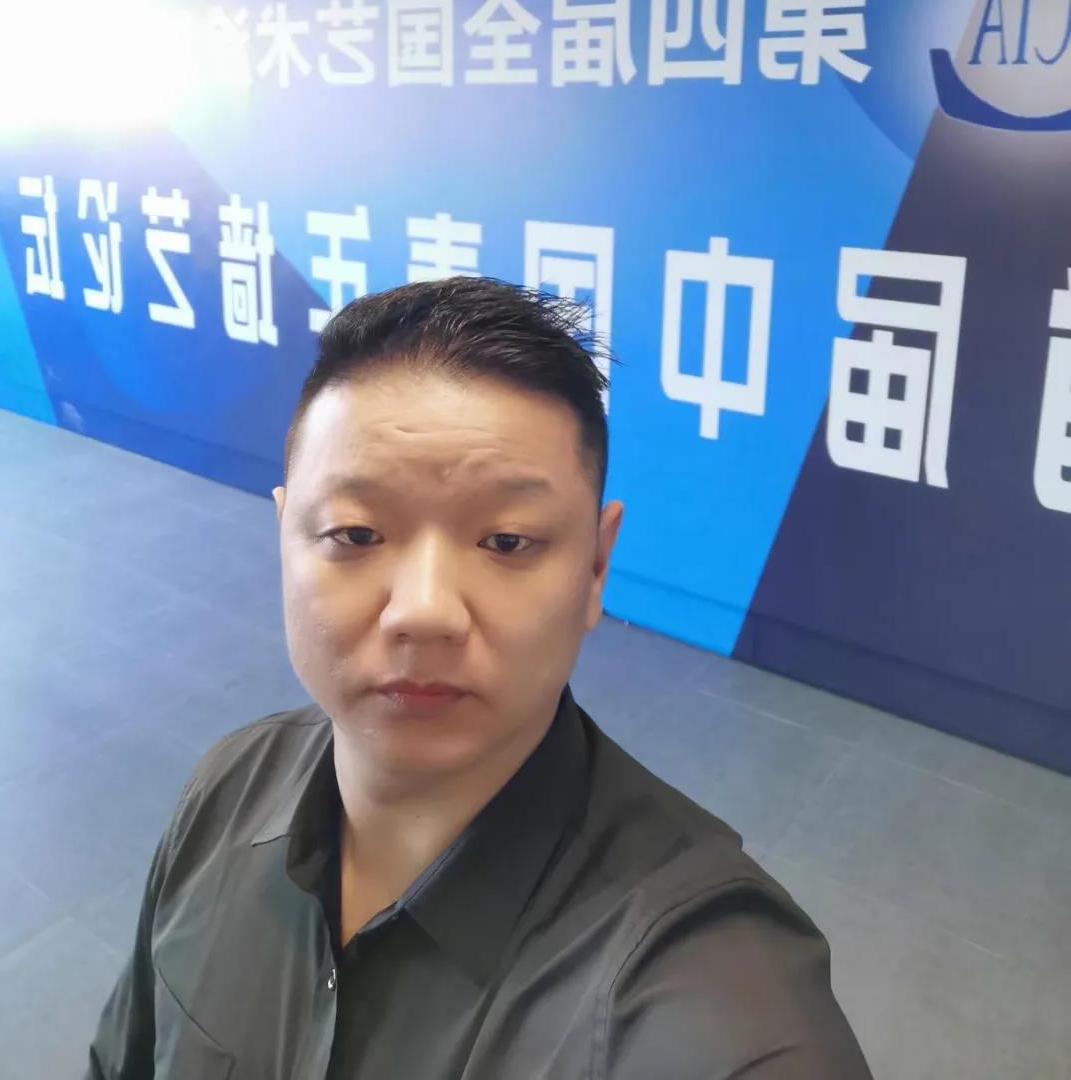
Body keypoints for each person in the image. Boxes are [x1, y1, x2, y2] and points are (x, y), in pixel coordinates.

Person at [87, 276, 872, 1080]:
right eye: (356, 532)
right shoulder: (225, 790)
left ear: (596, 568)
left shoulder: (717, 997)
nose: (425, 612)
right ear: (285, 536)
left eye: (505, 542)